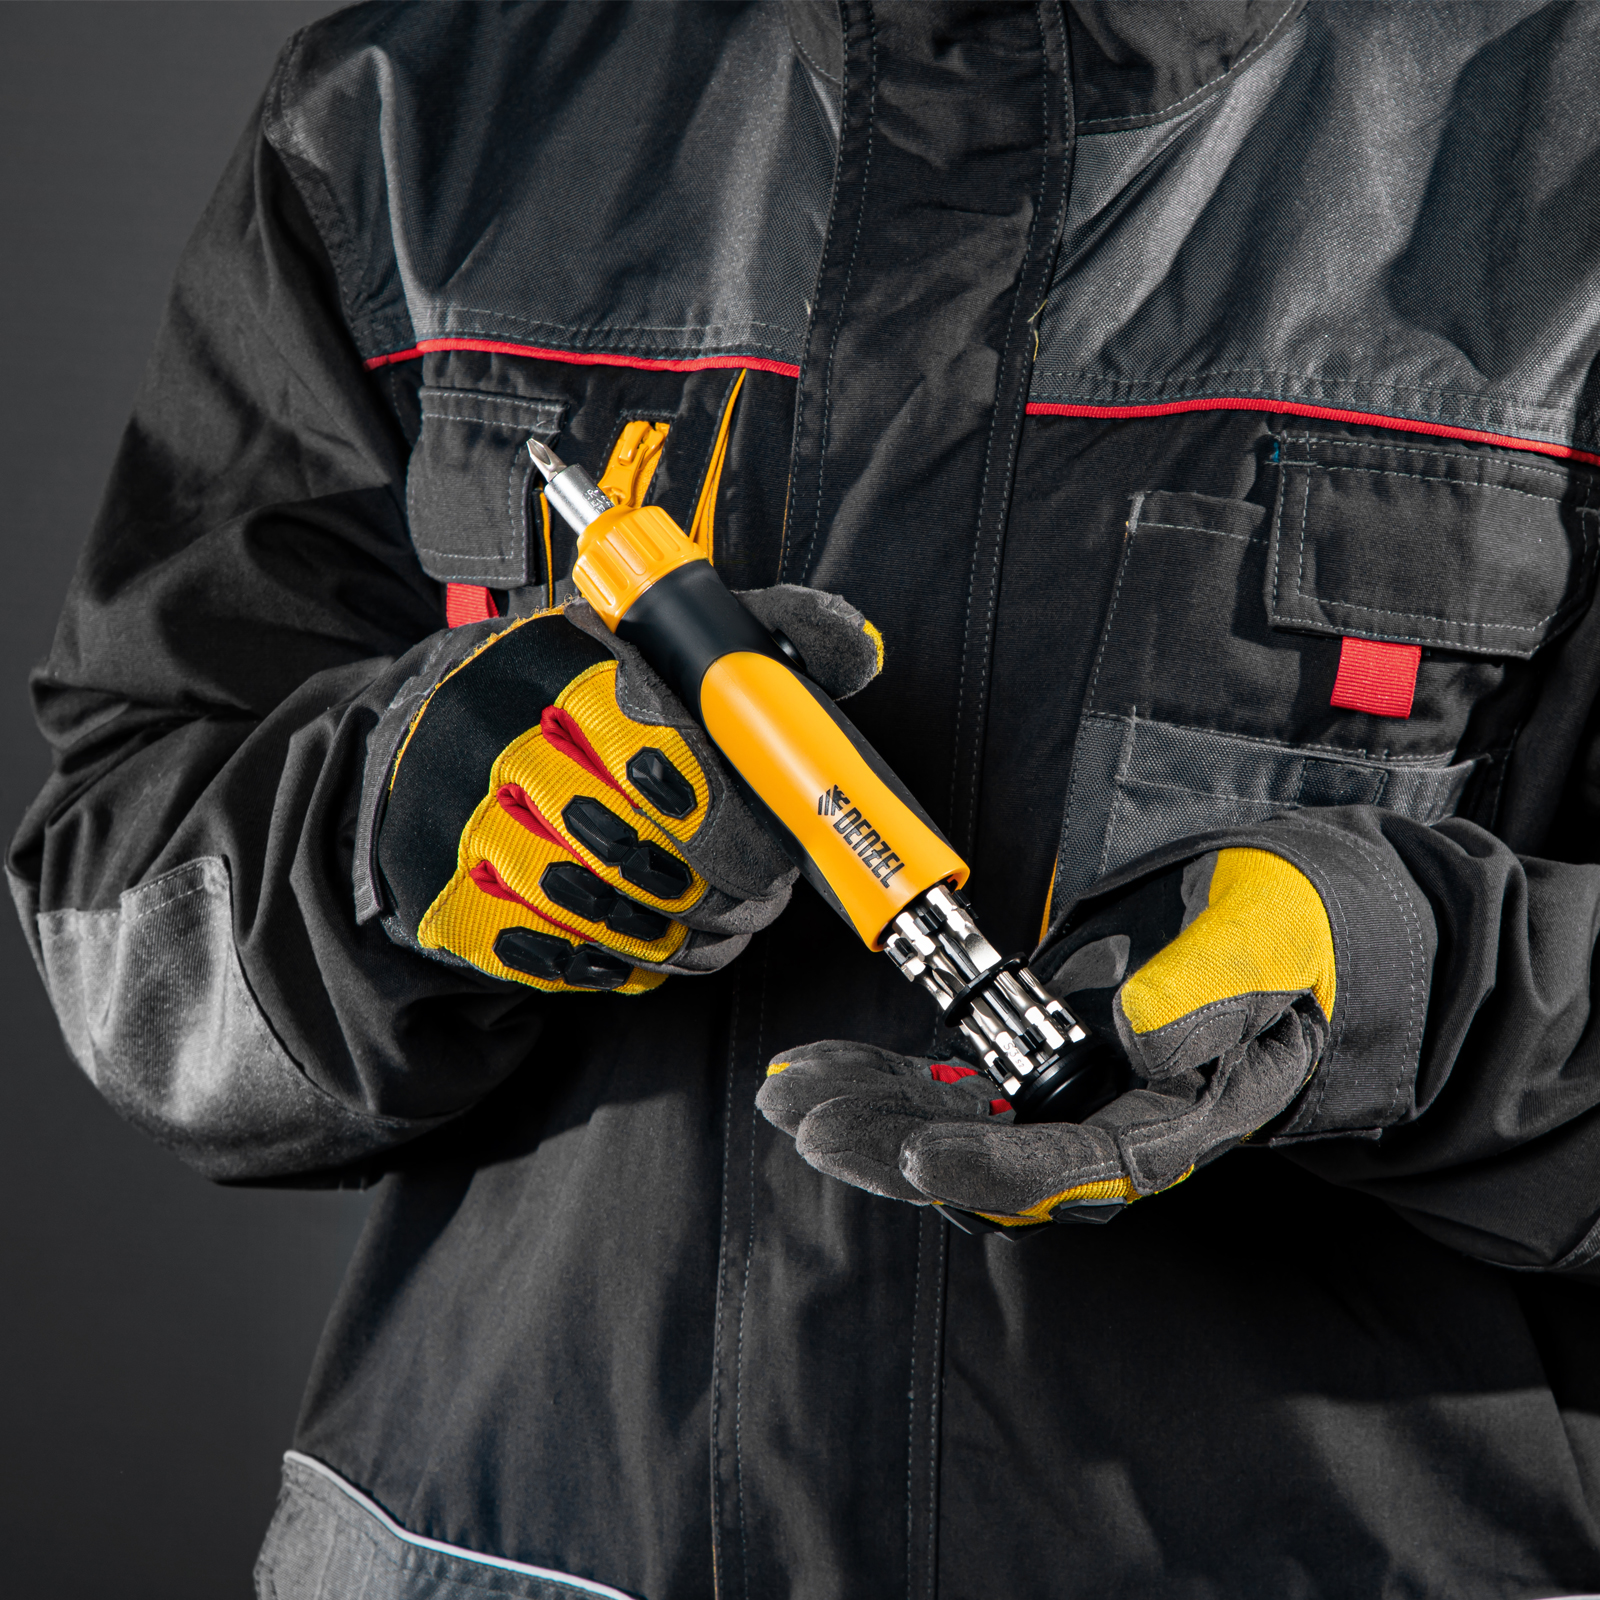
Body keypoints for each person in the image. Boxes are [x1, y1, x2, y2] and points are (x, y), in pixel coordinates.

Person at [15, 2, 1600, 1594]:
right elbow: (123, 929)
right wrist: (390, 830)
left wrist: (1415, 987)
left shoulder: (1562, 137)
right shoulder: (408, 111)